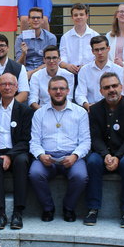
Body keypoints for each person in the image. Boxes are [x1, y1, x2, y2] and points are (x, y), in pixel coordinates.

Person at [29, 76, 90, 223]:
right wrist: (41, 155)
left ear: (68, 91)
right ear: (48, 91)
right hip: (47, 157)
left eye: (62, 88)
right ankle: (48, 208)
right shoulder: (39, 113)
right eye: (54, 89)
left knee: (80, 176)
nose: (58, 91)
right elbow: (34, 141)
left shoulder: (80, 112)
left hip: (71, 157)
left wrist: (75, 156)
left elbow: (86, 141)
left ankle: (68, 208)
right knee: (35, 173)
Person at [85, 72, 124, 227]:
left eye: (114, 86)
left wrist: (117, 156)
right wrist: (106, 155)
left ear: (121, 87)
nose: (111, 90)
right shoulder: (95, 109)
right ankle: (92, 208)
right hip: (103, 152)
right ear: (101, 91)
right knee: (92, 162)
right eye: (107, 87)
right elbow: (95, 137)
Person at [0, 73, 33, 229]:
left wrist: (10, 155)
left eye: (11, 84)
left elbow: (26, 140)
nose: (7, 87)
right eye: (3, 84)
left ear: (17, 87)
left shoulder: (24, 110)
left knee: (21, 162)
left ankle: (18, 213)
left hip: (17, 150)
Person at [74, 35, 124, 111]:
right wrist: (88, 106)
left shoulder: (118, 70)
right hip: (91, 109)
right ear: (92, 51)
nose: (100, 53)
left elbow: (121, 93)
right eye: (96, 50)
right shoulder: (84, 70)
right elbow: (80, 94)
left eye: (102, 49)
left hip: (113, 109)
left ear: (108, 49)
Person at [14, 7, 57, 76]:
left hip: (45, 71)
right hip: (25, 71)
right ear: (28, 20)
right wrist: (24, 54)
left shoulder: (50, 38)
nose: (36, 20)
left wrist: (33, 73)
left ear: (42, 20)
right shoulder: (21, 38)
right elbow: (19, 65)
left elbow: (51, 62)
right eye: (33, 18)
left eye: (38, 18)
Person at [29, 45, 74, 110]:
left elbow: (69, 99)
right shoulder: (36, 76)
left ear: (59, 59)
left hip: (63, 110)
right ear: (44, 60)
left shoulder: (68, 75)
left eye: (54, 58)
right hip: (42, 110)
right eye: (48, 58)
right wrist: (42, 112)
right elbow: (32, 100)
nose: (51, 61)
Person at [59, 3, 98, 75]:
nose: (78, 17)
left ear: (87, 16)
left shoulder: (95, 36)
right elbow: (62, 59)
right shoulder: (65, 37)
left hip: (90, 72)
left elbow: (98, 57)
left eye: (81, 14)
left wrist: (86, 67)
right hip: (70, 73)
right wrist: (67, 66)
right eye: (75, 15)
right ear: (72, 17)